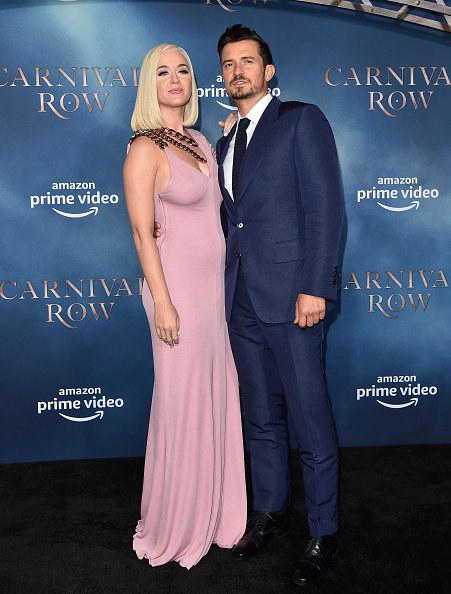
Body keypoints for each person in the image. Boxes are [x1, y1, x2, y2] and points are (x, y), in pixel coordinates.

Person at [216, 24, 344, 585]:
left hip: (294, 298)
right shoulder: (224, 141)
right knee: (261, 418)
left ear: (269, 71)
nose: (237, 70)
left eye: (247, 61)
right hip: (241, 298)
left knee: (310, 421)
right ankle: (271, 511)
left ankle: (323, 531)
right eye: (227, 64)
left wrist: (315, 285)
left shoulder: (301, 120)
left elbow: (326, 208)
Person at [123, 43, 246, 569]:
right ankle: (178, 521)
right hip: (176, 294)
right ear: (149, 85)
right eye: (163, 72)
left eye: (184, 70)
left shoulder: (200, 140)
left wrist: (226, 139)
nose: (176, 78)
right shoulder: (143, 149)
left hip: (214, 289)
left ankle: (219, 514)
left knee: (215, 396)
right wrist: (165, 305)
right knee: (182, 403)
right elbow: (141, 233)